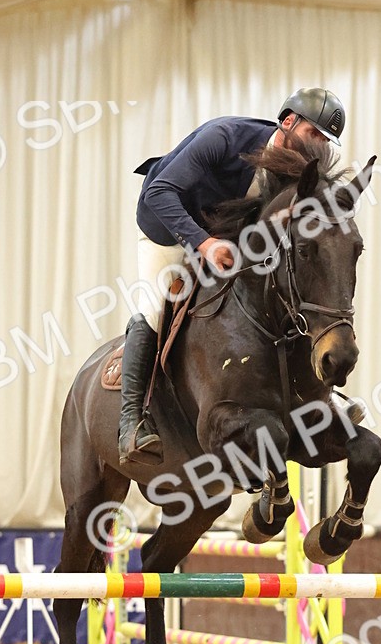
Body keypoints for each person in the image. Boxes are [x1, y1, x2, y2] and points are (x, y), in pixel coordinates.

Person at [118, 87, 347, 464]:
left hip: (224, 234)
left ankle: (319, 398)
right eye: (314, 134)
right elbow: (160, 193)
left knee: (286, 290)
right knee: (156, 306)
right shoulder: (224, 137)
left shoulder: (299, 169)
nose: (318, 146)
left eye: (326, 140)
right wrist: (203, 244)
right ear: (288, 122)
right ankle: (132, 422)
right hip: (168, 225)